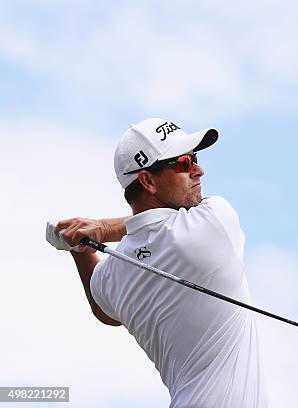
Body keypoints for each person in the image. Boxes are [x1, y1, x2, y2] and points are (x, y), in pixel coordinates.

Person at [45, 118, 268, 408]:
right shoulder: (216, 221)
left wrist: (79, 247)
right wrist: (101, 229)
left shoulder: (115, 271)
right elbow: (156, 230)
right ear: (148, 181)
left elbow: (104, 310)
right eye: (184, 163)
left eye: (195, 159)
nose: (198, 170)